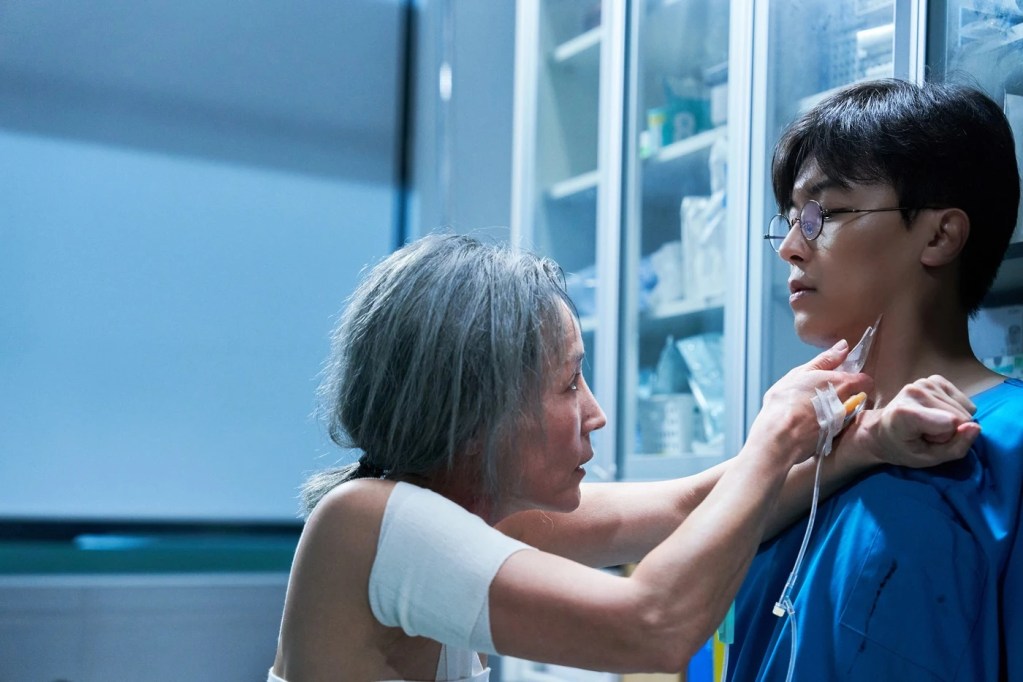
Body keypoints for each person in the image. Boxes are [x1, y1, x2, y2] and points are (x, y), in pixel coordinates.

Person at [268, 233, 977, 682]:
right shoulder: (368, 522)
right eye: (568, 382)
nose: (595, 412)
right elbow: (651, 627)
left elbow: (686, 508)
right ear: (478, 410)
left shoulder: (468, 513)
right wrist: (772, 437)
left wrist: (865, 441)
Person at [727, 79, 1023, 681]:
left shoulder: (1007, 447)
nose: (789, 248)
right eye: (790, 219)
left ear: (940, 235)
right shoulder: (804, 456)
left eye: (822, 214)